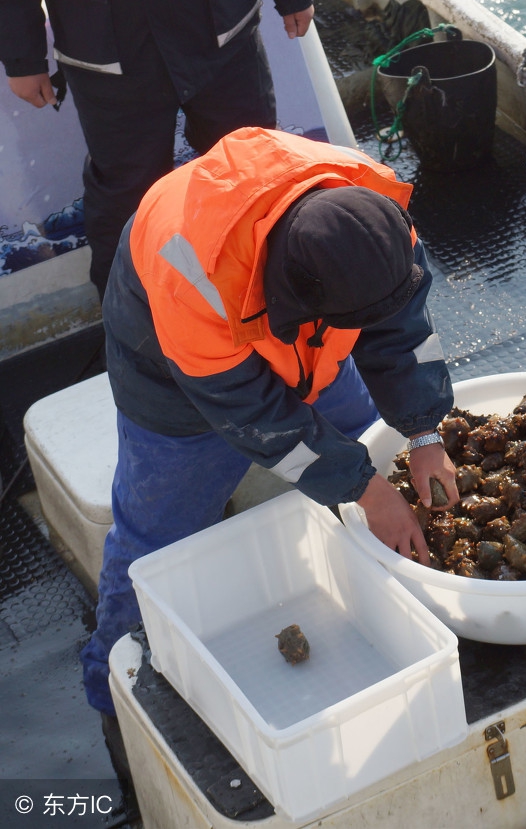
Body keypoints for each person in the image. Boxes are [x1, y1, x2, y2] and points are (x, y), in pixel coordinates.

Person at [79, 126, 458, 809]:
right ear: (299, 299)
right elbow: (257, 416)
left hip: (309, 342)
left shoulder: (374, 213)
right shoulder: (188, 272)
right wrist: (363, 485)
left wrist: (426, 429)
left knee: (355, 450)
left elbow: (402, 327)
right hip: (173, 373)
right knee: (154, 539)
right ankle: (113, 694)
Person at [0, 0, 317, 302]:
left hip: (220, 16)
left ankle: (296, 298)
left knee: (255, 166)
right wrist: (22, 57)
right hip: (102, 40)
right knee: (127, 199)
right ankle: (132, 331)